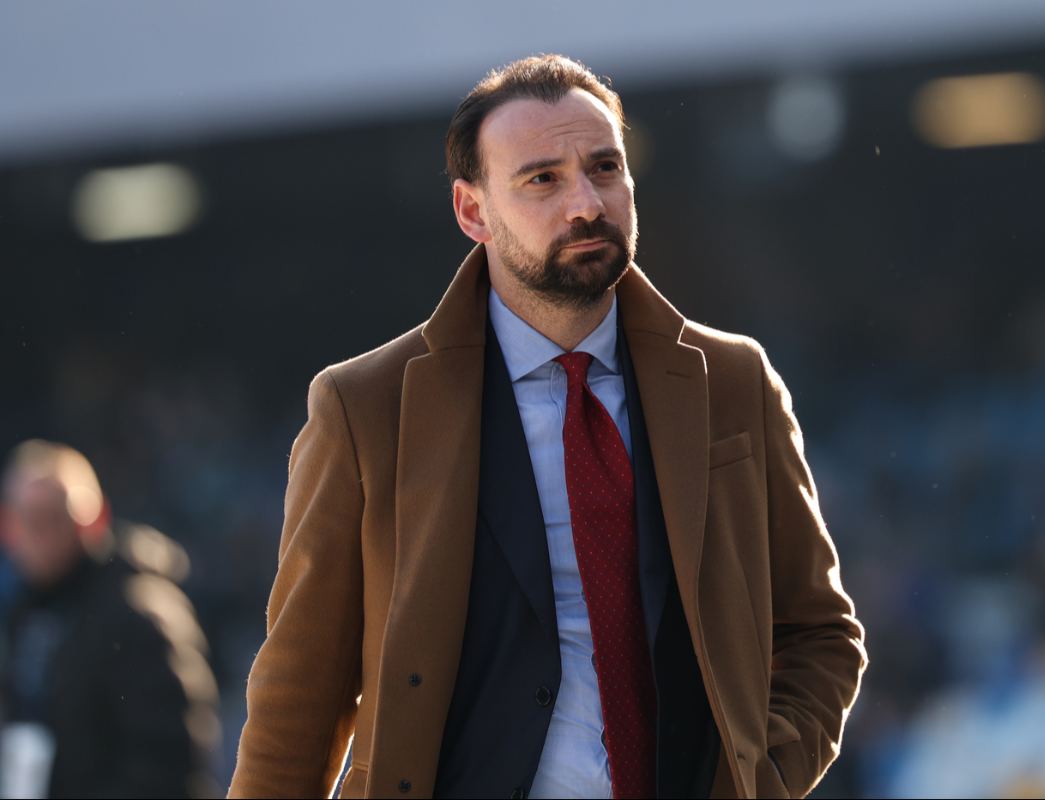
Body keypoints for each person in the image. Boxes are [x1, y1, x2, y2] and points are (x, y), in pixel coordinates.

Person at [229, 54, 866, 799]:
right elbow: (301, 695)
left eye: (604, 168)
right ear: (473, 212)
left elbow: (820, 634)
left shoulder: (732, 381)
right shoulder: (364, 407)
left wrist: (759, 777)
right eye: (543, 179)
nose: (586, 204)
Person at [0, 440, 219, 799]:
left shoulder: (140, 610)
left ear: (93, 519)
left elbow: (169, 761)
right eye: (27, 519)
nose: (38, 535)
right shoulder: (22, 610)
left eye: (53, 517)